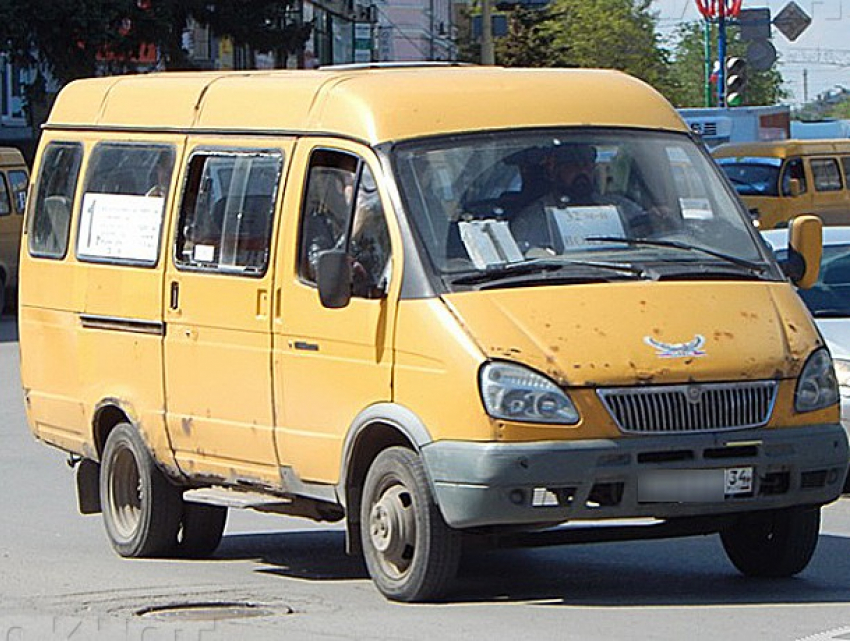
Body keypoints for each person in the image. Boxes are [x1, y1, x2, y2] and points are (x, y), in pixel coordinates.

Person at [510, 143, 649, 255]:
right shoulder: (531, 221)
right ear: (553, 171)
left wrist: (657, 219)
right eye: (573, 165)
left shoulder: (619, 206)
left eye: (587, 164)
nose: (582, 170)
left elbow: (648, 231)